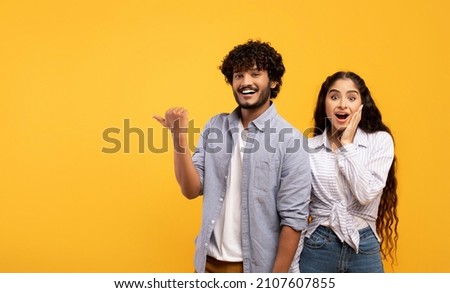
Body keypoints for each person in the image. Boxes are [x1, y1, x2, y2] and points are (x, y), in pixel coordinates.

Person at [154, 40, 311, 273]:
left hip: (255, 268)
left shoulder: (291, 141)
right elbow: (190, 189)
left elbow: (294, 221)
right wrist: (179, 138)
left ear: (274, 81)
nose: (246, 82)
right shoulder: (215, 127)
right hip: (206, 263)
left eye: (255, 74)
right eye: (239, 75)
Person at [299, 71, 399, 273]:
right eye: (334, 97)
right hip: (318, 245)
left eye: (351, 98)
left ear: (362, 105)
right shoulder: (307, 148)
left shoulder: (380, 141)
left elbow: (365, 194)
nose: (342, 104)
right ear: (324, 103)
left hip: (364, 244)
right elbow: (297, 211)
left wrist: (346, 145)